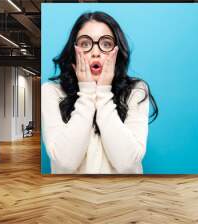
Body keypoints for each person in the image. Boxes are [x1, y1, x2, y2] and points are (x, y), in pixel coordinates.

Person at [41, 11, 158, 174]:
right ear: (73, 50)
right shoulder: (51, 91)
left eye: (106, 44)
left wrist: (103, 92)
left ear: (117, 51)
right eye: (85, 44)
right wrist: (87, 92)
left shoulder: (136, 90)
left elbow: (127, 164)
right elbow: (65, 164)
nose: (95, 52)